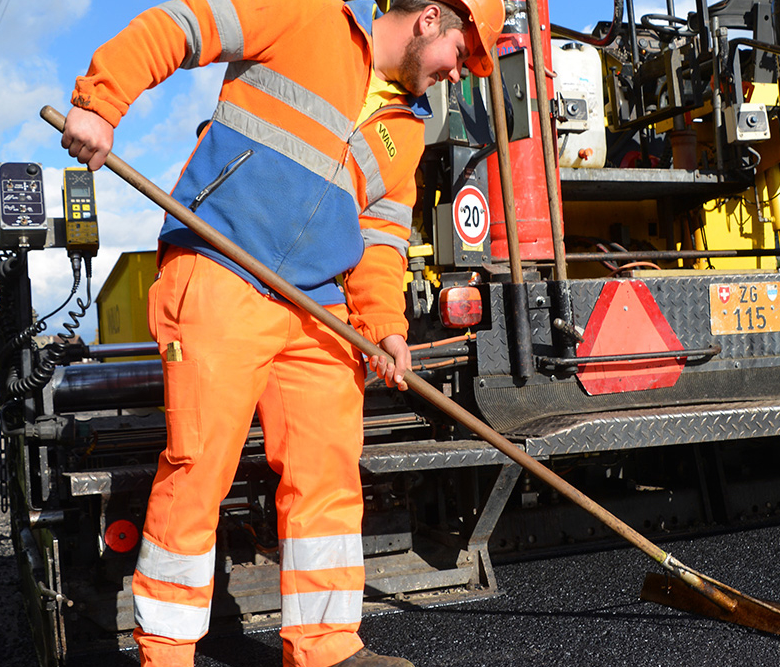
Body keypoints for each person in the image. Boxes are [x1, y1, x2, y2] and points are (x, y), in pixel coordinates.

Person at [60, 1, 504, 666]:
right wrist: (102, 102)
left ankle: (326, 647)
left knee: (328, 473)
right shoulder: (307, 15)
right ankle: (168, 653)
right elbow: (179, 27)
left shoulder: (403, 133)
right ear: (431, 19)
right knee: (198, 468)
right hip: (220, 267)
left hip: (316, 304)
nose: (457, 77)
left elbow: (382, 241)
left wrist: (383, 327)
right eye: (461, 57)